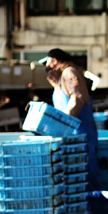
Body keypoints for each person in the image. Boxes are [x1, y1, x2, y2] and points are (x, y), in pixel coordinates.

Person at [44, 48, 102, 191]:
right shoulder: (61, 77)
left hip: (80, 131)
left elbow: (77, 99)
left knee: (87, 169)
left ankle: (96, 205)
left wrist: (64, 122)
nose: (45, 65)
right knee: (77, 172)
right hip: (71, 133)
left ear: (54, 61)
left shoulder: (69, 73)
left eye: (47, 61)